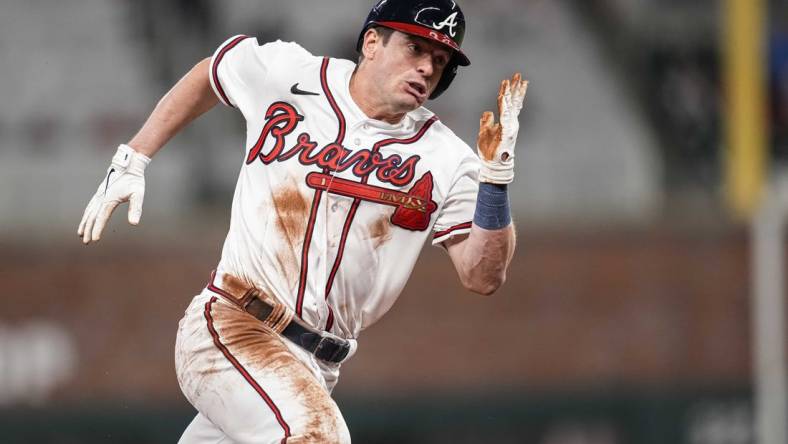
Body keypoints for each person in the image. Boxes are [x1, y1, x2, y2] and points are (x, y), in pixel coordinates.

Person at [77, 0, 527, 442]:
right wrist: (134, 156)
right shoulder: (290, 74)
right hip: (236, 323)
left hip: (317, 365)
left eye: (440, 59)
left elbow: (482, 274)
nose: (428, 67)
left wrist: (496, 179)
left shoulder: (449, 158)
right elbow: (212, 73)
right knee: (317, 435)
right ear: (372, 42)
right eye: (415, 48)